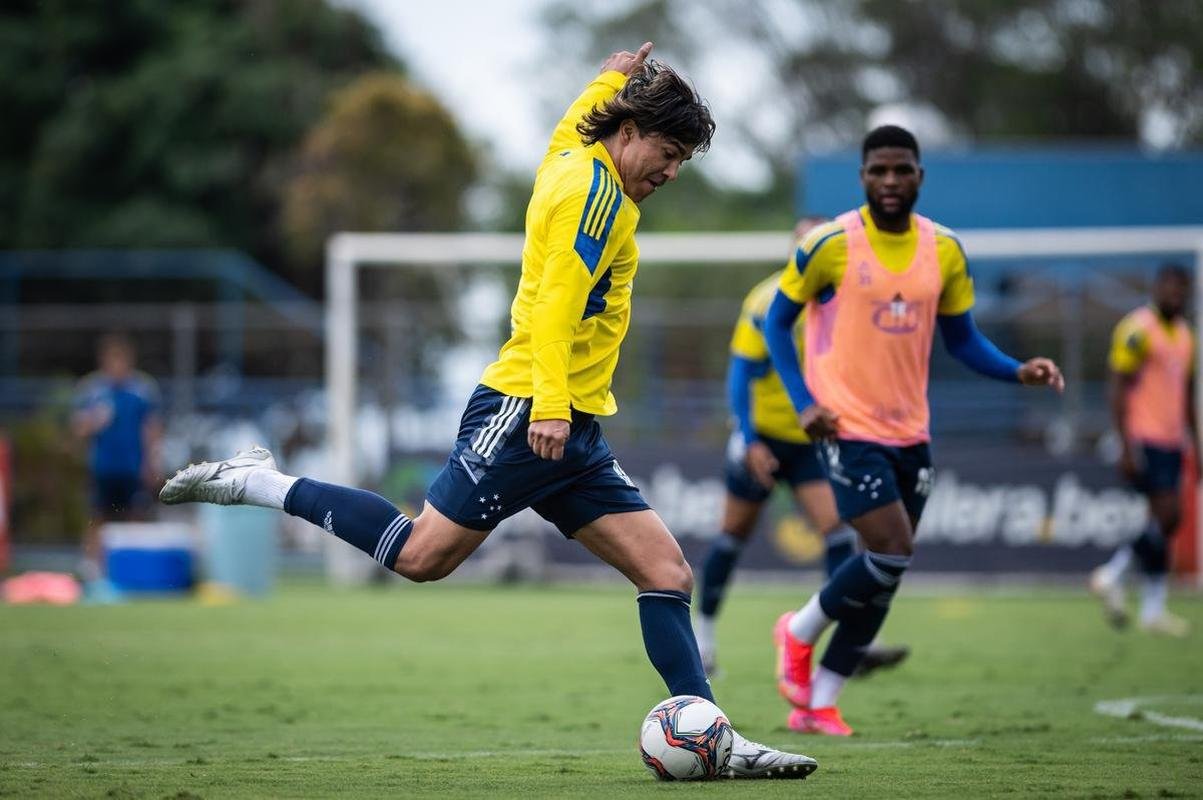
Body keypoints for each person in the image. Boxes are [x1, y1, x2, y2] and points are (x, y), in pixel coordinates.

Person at [161, 43, 817, 779]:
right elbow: (557, 310)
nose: (668, 171)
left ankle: (715, 740)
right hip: (528, 409)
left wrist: (608, 73)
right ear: (627, 131)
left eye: (681, 162)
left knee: (665, 571)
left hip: (570, 423)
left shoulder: (579, 149)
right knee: (420, 557)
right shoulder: (594, 197)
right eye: (666, 153)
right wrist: (548, 407)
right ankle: (259, 482)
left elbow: (577, 117)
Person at [762, 125, 1064, 736]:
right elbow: (776, 324)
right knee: (893, 549)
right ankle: (796, 632)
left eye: (902, 171)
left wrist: (1017, 371)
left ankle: (819, 702)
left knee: (888, 571)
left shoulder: (946, 250)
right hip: (847, 425)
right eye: (879, 171)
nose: (891, 182)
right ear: (864, 177)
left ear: (920, 176)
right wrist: (803, 404)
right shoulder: (829, 244)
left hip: (912, 430)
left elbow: (963, 339)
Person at [694, 216, 908, 679]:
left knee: (838, 530)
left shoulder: (851, 301)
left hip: (813, 440)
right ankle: (704, 640)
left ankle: (846, 639)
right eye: (803, 242)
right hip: (764, 437)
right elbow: (740, 374)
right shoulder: (766, 300)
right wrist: (749, 439)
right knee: (733, 535)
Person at [1090, 264, 1198, 637]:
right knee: (1169, 516)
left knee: (1162, 523)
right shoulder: (1137, 330)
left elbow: (1186, 396)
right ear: (1156, 288)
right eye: (1169, 287)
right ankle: (1113, 572)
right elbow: (1117, 386)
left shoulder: (1186, 336)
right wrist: (1125, 444)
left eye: (1181, 289)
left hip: (1172, 440)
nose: (1175, 295)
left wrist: (1196, 444)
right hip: (1144, 437)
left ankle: (1151, 607)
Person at [72, 333, 163, 584]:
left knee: (136, 515)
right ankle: (92, 570)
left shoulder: (142, 389)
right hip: (103, 467)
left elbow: (151, 428)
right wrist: (93, 422)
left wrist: (151, 461)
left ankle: (136, 569)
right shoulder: (92, 390)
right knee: (97, 516)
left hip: (132, 466)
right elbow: (77, 428)